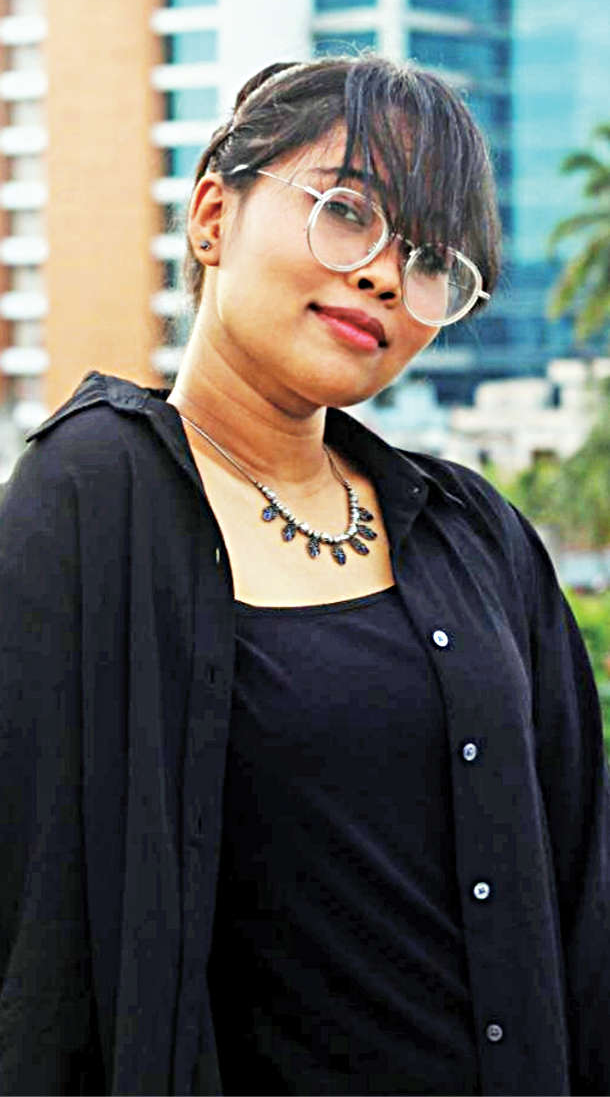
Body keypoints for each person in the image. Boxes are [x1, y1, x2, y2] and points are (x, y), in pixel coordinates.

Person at [0, 55, 608, 1097]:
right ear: (212, 217)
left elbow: (583, 894)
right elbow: (34, 912)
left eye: (430, 258)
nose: (384, 275)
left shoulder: (474, 532)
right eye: (347, 210)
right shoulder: (94, 497)